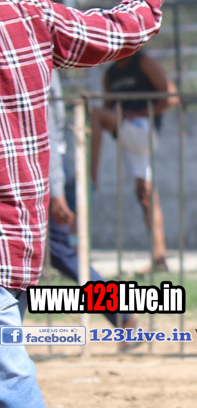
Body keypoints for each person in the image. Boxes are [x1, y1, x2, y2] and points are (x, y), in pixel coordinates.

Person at [0, 0, 195, 408]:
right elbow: (118, 32)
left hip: (43, 207)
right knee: (76, 275)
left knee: (21, 361)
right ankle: (127, 314)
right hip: (27, 221)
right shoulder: (23, 13)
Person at [45, 72, 138, 342]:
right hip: (42, 170)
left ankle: (121, 313)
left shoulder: (30, 58)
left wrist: (56, 189)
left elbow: (47, 132)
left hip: (44, 171)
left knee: (61, 253)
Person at [89, 49, 178, 273]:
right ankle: (159, 257)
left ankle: (91, 177)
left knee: (95, 115)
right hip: (126, 132)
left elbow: (172, 97)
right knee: (145, 195)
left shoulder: (144, 62)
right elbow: (110, 108)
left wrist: (141, 112)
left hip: (144, 128)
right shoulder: (110, 74)